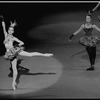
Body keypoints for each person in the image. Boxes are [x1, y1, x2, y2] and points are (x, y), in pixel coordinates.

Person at [0, 15, 53, 90]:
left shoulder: (13, 38)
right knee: (15, 71)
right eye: (9, 30)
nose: (10, 31)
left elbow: (22, 42)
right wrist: (2, 19)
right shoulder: (5, 35)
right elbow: (3, 27)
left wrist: (16, 46)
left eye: (12, 30)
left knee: (30, 55)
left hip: (15, 51)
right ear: (8, 30)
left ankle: (44, 54)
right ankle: (13, 83)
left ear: (13, 31)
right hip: (10, 55)